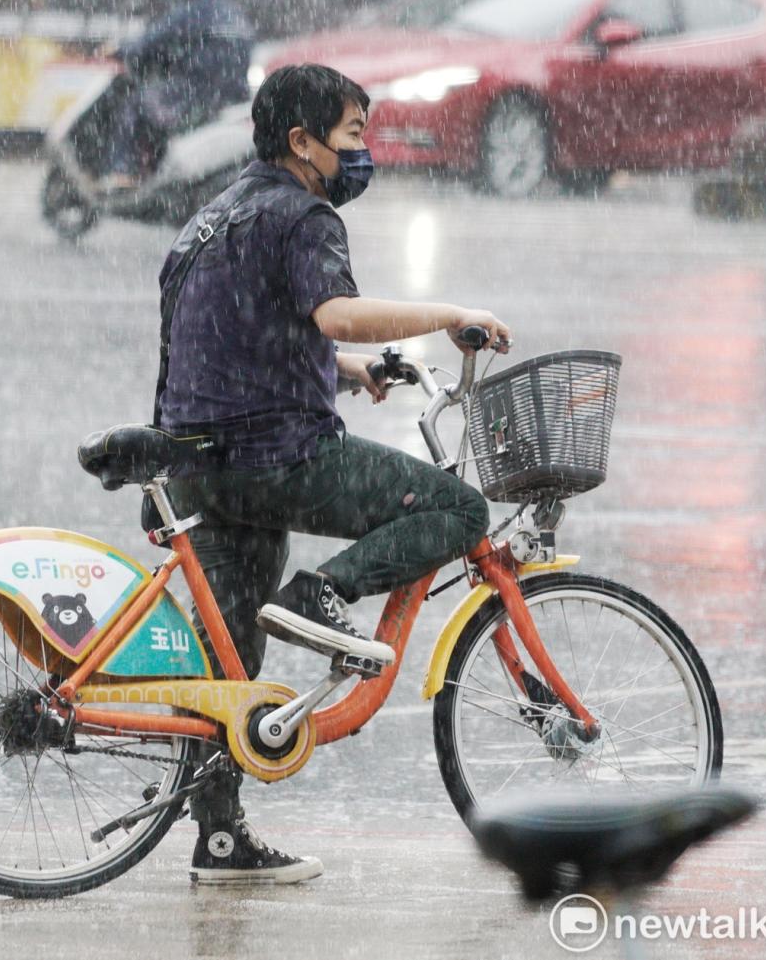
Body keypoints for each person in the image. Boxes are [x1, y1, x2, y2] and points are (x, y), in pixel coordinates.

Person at [156, 63, 511, 884]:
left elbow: (246, 331)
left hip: (202, 462)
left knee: (229, 663)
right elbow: (332, 311)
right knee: (459, 509)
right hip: (278, 455)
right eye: (352, 135)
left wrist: (343, 368)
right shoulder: (303, 214)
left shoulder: (214, 215)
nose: (363, 152)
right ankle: (320, 596)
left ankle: (219, 838)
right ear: (301, 141)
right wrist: (451, 314)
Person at [102, 0, 255, 187]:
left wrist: (119, 50)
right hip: (231, 95)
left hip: (195, 92)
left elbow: (148, 44)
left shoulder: (191, 10)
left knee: (136, 106)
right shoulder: (230, 10)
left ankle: (124, 174)